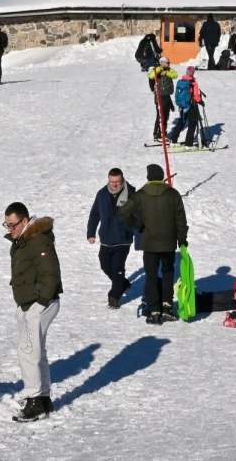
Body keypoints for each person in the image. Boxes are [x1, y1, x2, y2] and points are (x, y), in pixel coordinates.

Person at [3, 201, 63, 422]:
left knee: (27, 351)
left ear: (25, 220)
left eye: (13, 225)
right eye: (7, 225)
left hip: (40, 304)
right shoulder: (23, 240)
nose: (10, 229)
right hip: (28, 303)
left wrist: (40, 303)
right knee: (37, 351)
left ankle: (34, 401)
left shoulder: (37, 239)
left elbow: (51, 273)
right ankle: (44, 398)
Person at [118, 163, 188, 326]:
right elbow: (181, 219)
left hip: (149, 242)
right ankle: (167, 306)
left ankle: (154, 311)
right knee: (168, 272)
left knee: (151, 275)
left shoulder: (141, 195)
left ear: (148, 177)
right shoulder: (172, 194)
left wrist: (139, 225)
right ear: (161, 176)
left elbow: (122, 213)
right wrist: (182, 239)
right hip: (169, 241)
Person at [87, 168, 137, 309]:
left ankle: (114, 296)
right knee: (104, 265)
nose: (114, 184)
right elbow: (94, 214)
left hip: (123, 238)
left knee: (117, 267)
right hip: (106, 238)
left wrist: (137, 235)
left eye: (117, 182)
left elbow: (139, 216)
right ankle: (122, 283)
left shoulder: (131, 194)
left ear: (122, 180)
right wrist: (91, 232)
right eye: (112, 181)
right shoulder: (102, 194)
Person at [168, 66, 204, 147]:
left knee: (182, 122)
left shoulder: (181, 81)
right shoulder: (193, 83)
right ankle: (188, 144)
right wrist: (201, 101)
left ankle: (173, 140)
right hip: (190, 105)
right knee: (192, 124)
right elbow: (196, 96)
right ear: (193, 73)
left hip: (182, 105)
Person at [147, 57, 178, 142]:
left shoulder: (169, 70)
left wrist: (167, 73)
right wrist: (160, 69)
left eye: (167, 63)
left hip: (167, 96)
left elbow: (175, 75)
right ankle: (157, 134)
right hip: (159, 96)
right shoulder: (157, 69)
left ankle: (163, 133)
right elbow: (151, 76)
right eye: (164, 63)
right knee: (161, 116)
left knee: (166, 116)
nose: (166, 64)